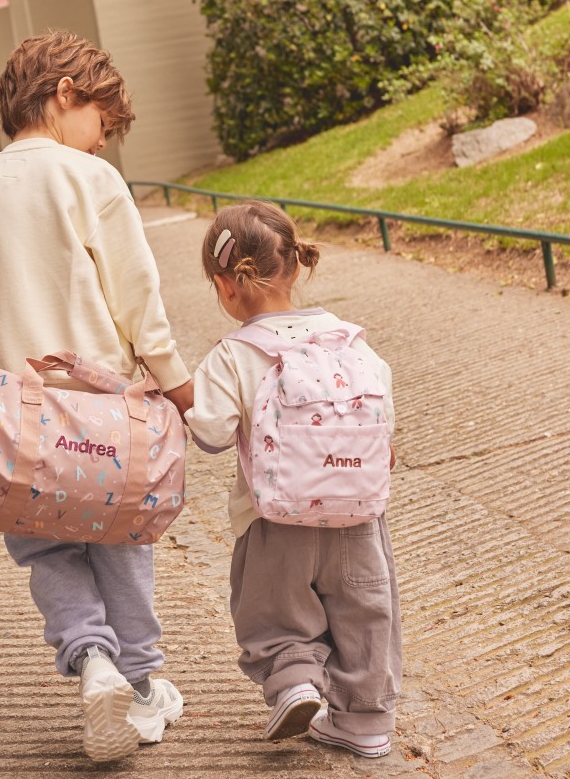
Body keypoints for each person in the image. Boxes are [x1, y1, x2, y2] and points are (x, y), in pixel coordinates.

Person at [0, 29, 194, 762]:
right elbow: (137, 296)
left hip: (12, 420)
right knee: (121, 538)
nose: (103, 142)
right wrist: (176, 382)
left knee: (46, 546)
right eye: (101, 124)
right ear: (65, 95)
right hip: (102, 417)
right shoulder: (90, 180)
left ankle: (92, 660)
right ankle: (141, 687)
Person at [184, 201, 402, 758]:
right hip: (357, 516)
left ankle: (294, 680)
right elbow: (385, 422)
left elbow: (209, 432)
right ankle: (365, 721)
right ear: (297, 265)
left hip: (273, 518)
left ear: (225, 286)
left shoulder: (234, 354)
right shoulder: (352, 342)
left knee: (273, 611)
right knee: (365, 611)